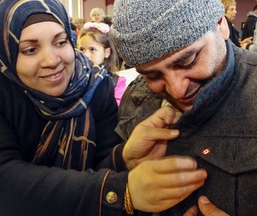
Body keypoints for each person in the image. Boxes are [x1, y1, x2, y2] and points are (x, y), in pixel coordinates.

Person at [0, 0, 207, 215]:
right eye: (30, 50)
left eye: (60, 42)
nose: (52, 61)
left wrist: (123, 156)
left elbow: (100, 165)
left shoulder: (94, 84)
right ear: (5, 53)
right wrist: (121, 191)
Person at [110, 0, 257, 215]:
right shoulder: (135, 96)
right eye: (153, 75)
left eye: (187, 61)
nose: (177, 90)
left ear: (220, 24)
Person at [77, 22, 126, 105]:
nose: (86, 55)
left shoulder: (116, 82)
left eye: (92, 49)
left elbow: (116, 109)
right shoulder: (75, 78)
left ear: (106, 52)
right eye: (82, 50)